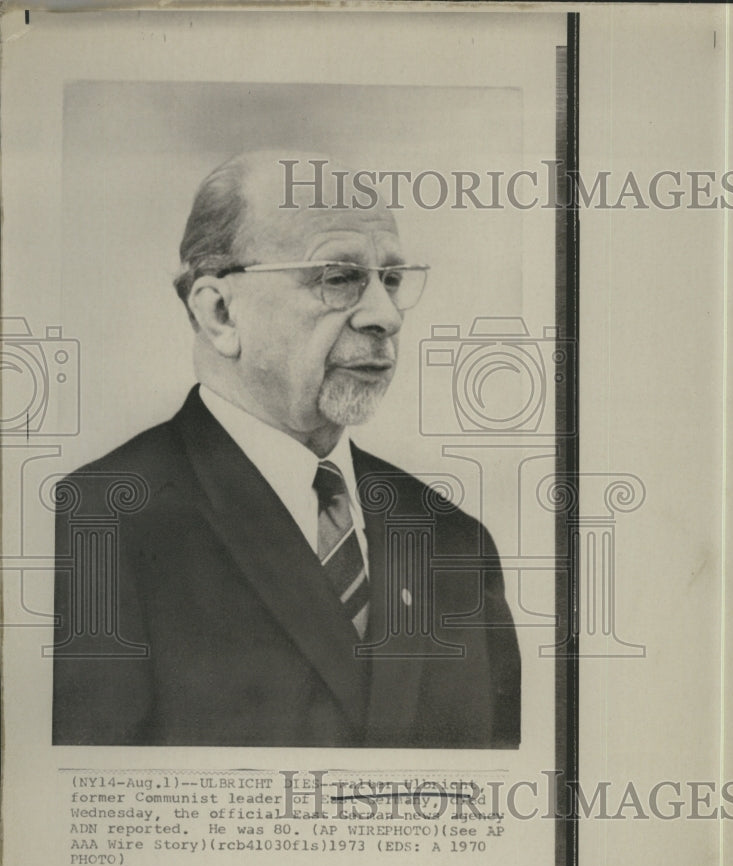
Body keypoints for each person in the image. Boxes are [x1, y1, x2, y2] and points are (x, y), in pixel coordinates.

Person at [51, 151, 520, 748]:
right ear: (220, 312)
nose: (385, 316)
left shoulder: (454, 539)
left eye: (392, 280)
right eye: (338, 277)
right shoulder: (99, 522)